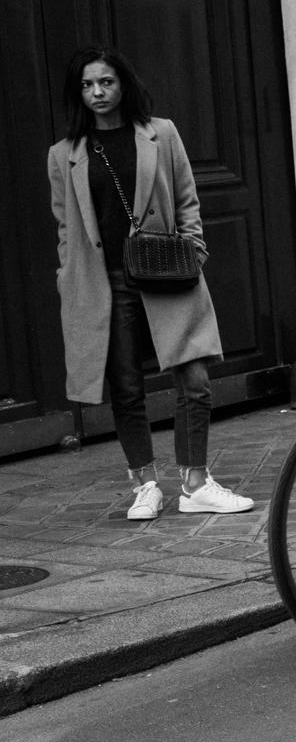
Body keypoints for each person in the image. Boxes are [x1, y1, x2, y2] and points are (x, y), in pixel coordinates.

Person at [48, 48, 253, 520]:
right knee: (126, 387)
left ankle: (196, 483)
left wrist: (194, 250)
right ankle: (145, 483)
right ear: (77, 93)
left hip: (166, 271)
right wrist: (66, 277)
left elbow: (187, 198)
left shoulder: (161, 133)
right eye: (87, 85)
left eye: (106, 82)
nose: (97, 93)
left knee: (195, 378)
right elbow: (65, 228)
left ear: (123, 84)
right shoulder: (64, 156)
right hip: (105, 284)